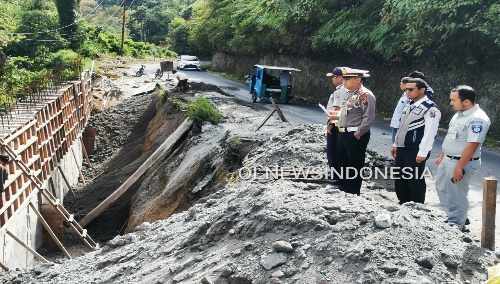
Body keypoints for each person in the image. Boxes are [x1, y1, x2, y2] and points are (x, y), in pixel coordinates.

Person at [435, 85, 490, 231]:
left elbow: (472, 146)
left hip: (461, 162)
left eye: (453, 100)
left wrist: (459, 166)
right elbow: (452, 137)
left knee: (457, 193)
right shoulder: (459, 114)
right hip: (448, 158)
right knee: (442, 188)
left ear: (466, 101)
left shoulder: (478, 119)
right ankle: (455, 217)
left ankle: (457, 224)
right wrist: (443, 154)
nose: (451, 103)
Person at [391, 78, 441, 204]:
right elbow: (401, 126)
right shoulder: (409, 105)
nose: (407, 92)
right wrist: (395, 144)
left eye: (411, 89)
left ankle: (417, 205)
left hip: (415, 150)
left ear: (422, 90)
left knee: (414, 179)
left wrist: (423, 153)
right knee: (400, 177)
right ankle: (403, 201)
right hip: (402, 148)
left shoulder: (430, 109)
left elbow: (430, 133)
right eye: (406, 89)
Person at [330, 67, 375, 195]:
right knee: (343, 161)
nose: (344, 81)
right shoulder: (351, 94)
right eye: (343, 78)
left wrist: (358, 133)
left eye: (348, 79)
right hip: (343, 132)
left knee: (354, 163)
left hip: (355, 134)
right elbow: (349, 113)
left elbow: (369, 117)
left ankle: (353, 191)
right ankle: (343, 186)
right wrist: (336, 117)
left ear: (358, 80)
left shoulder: (365, 95)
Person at [325, 67, 348, 181]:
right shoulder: (342, 89)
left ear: (340, 77)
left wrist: (330, 123)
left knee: (333, 149)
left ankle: (336, 173)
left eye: (334, 77)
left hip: (336, 121)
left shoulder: (341, 90)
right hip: (337, 120)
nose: (332, 79)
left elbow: (338, 107)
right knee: (335, 148)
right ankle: (335, 172)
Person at [390, 77, 410, 144]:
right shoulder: (404, 96)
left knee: (397, 146)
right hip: (396, 124)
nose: (400, 85)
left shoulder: (408, 97)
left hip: (400, 125)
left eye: (401, 83)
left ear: (405, 84)